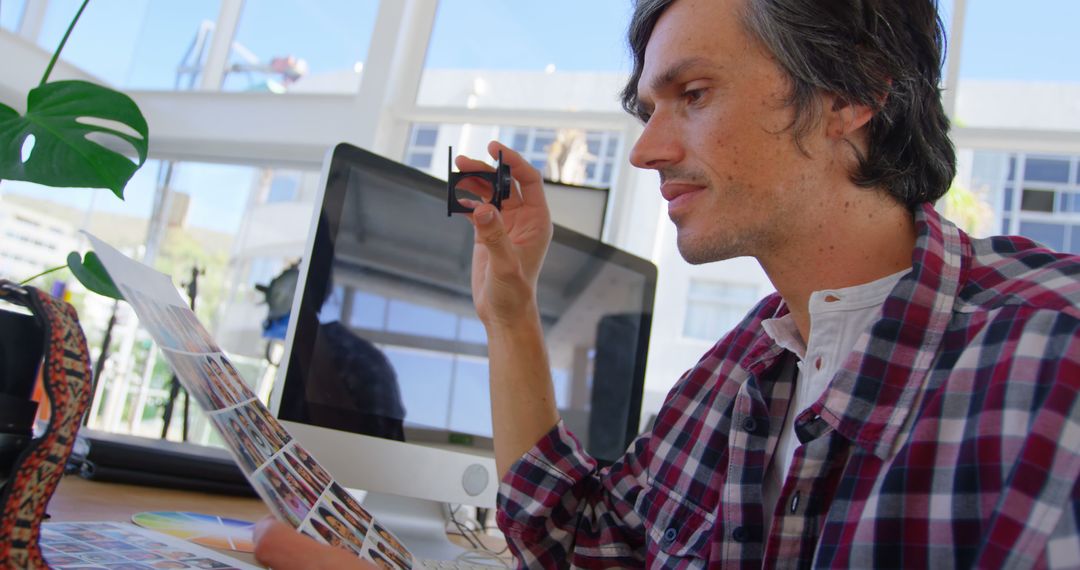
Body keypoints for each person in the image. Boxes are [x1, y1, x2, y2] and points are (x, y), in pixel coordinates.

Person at [253, 0, 1080, 567]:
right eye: (649, 108)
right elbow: (580, 544)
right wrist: (509, 311)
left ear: (852, 93)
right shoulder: (733, 377)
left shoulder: (1053, 363)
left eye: (692, 94)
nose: (645, 152)